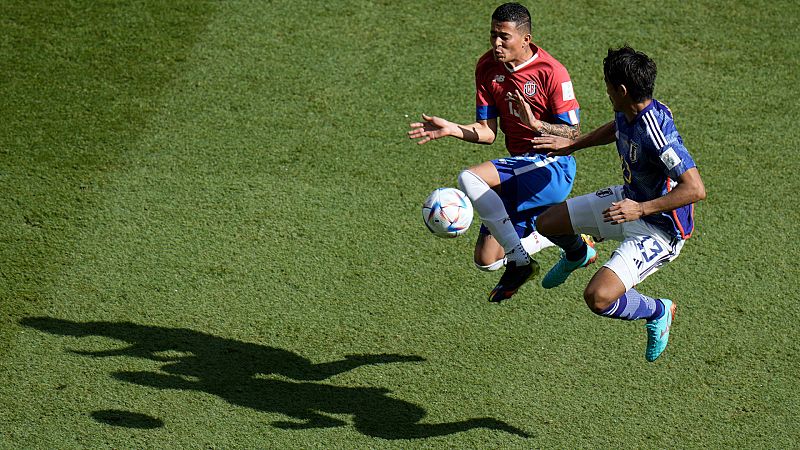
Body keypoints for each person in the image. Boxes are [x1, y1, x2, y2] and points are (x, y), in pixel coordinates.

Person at [528, 45, 706, 361]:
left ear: (622, 90)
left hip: (658, 228)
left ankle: (657, 310)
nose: (605, 91)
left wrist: (640, 209)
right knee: (547, 223)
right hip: (628, 201)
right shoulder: (629, 110)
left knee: (598, 297)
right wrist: (572, 145)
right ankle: (578, 253)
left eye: (608, 86)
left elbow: (694, 189)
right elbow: (617, 127)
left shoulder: (657, 134)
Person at [408, 2, 591, 302]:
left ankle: (520, 262)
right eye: (493, 34)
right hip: (518, 168)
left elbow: (574, 134)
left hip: (551, 167)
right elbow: (487, 132)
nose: (496, 43)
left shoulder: (552, 72)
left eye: (504, 37)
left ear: (525, 40)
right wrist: (453, 128)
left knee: (470, 178)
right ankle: (577, 247)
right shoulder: (487, 67)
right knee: (488, 260)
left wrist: (535, 124)